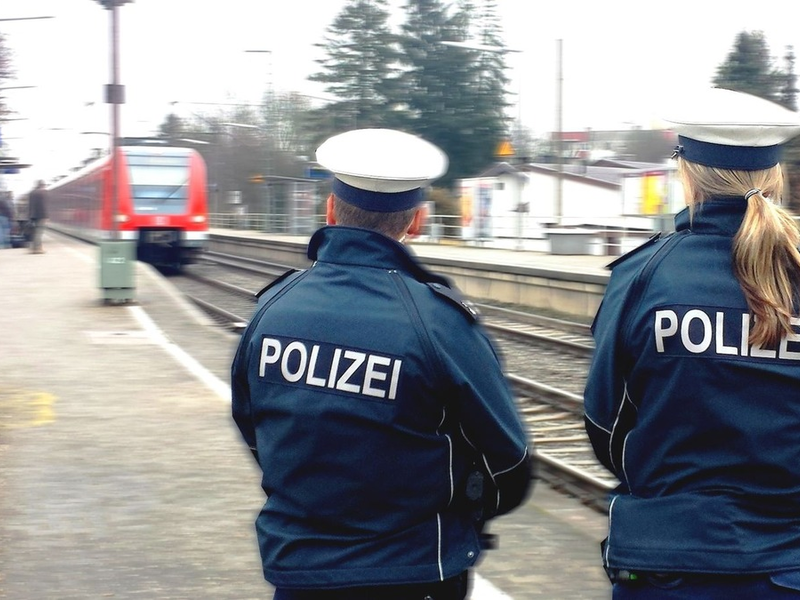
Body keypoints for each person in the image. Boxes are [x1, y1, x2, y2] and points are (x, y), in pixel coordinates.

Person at [231, 128, 534, 600]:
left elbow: (253, 425)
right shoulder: (438, 323)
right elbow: (510, 462)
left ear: (330, 211)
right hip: (415, 572)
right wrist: (464, 511)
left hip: (299, 572)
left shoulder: (272, 310)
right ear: (416, 220)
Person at [584, 87, 800, 599]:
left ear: (687, 174)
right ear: (775, 175)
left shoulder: (643, 277)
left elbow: (607, 425)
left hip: (669, 564)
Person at [28, 180, 48, 253]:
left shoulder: (32, 193)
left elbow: (30, 205)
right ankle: (37, 249)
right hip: (40, 215)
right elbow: (43, 205)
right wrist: (45, 216)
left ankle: (34, 248)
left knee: (35, 232)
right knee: (39, 233)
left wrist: (30, 216)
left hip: (33, 216)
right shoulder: (41, 193)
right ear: (42, 185)